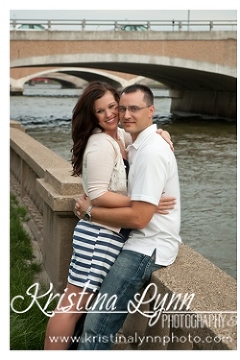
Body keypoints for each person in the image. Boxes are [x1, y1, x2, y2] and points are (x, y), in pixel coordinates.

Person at [43, 82, 175, 350]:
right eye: (100, 111)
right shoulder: (101, 143)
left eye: (113, 106)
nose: (110, 114)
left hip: (106, 233)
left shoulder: (119, 137)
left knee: (80, 304)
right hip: (98, 236)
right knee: (72, 305)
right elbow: (99, 195)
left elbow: (143, 139)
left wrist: (162, 133)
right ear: (93, 116)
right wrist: (143, 201)